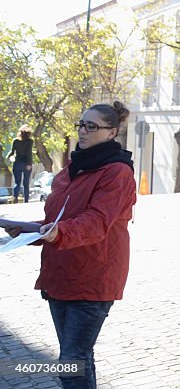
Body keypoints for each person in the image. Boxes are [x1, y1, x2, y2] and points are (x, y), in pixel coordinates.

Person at [4, 101, 136, 389]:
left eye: (92, 126)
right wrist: (28, 231)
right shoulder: (70, 170)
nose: (83, 131)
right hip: (61, 275)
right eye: (81, 124)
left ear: (112, 132)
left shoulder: (117, 172)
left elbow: (96, 222)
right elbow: (57, 221)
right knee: (78, 358)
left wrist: (56, 233)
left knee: (71, 361)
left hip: (94, 278)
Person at [8, 124, 34, 203]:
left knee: (17, 182)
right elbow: (29, 153)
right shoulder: (30, 141)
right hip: (26, 163)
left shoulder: (15, 141)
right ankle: (26, 200)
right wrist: (29, 164)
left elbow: (12, 152)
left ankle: (15, 197)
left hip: (17, 163)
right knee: (26, 183)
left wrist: (8, 157)